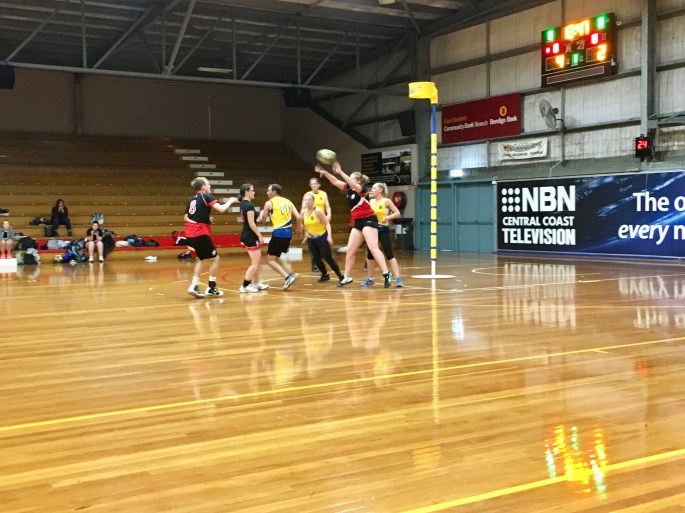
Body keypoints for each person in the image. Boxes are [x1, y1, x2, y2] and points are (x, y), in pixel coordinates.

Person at [316, 161, 392, 288]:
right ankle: (347, 277)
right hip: (358, 222)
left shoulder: (362, 190)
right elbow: (335, 182)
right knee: (350, 250)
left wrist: (340, 171)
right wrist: (325, 173)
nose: (349, 180)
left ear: (358, 181)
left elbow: (349, 183)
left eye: (352, 178)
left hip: (369, 220)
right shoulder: (349, 189)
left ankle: (386, 273)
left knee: (373, 248)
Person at [184, 176, 239, 298]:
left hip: (189, 233)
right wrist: (230, 201)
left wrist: (205, 219)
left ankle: (194, 285)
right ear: (203, 187)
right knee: (215, 258)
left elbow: (186, 217)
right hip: (200, 233)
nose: (210, 186)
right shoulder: (206, 197)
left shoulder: (191, 199)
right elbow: (221, 209)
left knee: (201, 259)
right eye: (208, 184)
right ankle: (211, 288)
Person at [258, 184, 301, 290]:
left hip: (278, 234)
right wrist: (298, 229)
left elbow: (263, 221)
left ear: (274, 192)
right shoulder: (288, 202)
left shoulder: (269, 203)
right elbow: (299, 217)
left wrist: (261, 214)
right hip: (288, 234)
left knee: (270, 260)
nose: (267, 193)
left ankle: (287, 277)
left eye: (268, 191)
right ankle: (291, 273)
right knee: (279, 255)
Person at [362, 182, 404, 287]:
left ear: (380, 190)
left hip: (383, 229)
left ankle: (398, 278)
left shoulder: (386, 201)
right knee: (370, 255)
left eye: (374, 188)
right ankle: (370, 278)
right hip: (372, 230)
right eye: (372, 188)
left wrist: (388, 217)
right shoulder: (370, 201)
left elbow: (397, 213)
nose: (372, 190)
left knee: (389, 254)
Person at [301, 192, 342, 283]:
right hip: (311, 239)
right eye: (305, 200)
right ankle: (325, 275)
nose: (307, 201)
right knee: (316, 259)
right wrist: (306, 235)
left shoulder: (317, 211)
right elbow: (304, 225)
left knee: (327, 258)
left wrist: (329, 236)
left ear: (313, 201)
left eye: (309, 199)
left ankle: (340, 275)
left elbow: (327, 223)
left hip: (321, 237)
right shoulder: (303, 212)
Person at [238, 183, 267, 293]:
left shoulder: (243, 204)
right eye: (252, 190)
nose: (254, 192)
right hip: (250, 236)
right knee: (255, 263)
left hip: (246, 234)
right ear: (246, 192)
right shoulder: (249, 206)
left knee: (256, 262)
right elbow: (251, 223)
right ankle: (245, 285)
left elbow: (250, 220)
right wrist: (260, 235)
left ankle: (256, 283)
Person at [301, 177, 332, 272]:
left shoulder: (323, 194)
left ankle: (323, 262)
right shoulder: (307, 195)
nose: (313, 185)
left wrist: (329, 215)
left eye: (315, 183)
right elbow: (303, 208)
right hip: (311, 220)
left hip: (321, 220)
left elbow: (327, 206)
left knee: (323, 242)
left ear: (319, 185)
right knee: (312, 243)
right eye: (312, 184)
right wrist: (303, 220)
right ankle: (314, 265)